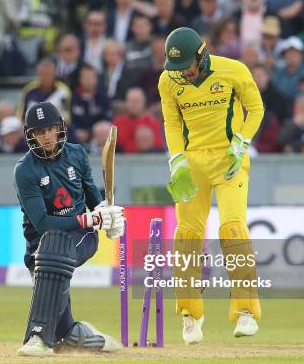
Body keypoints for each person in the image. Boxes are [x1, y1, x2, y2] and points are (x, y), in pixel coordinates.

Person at [158, 27, 264, 344]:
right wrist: (176, 161)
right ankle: (191, 315)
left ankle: (245, 311)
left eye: (187, 67)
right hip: (193, 163)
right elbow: (172, 122)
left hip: (229, 159)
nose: (183, 75)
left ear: (201, 55)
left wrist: (241, 143)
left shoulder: (233, 70)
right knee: (188, 235)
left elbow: (256, 108)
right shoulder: (168, 81)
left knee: (232, 228)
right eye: (176, 69)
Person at [14, 101, 124, 357]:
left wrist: (105, 214)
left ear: (60, 129)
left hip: (80, 238)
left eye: (51, 129)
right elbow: (42, 224)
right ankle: (83, 336)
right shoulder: (25, 170)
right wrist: (89, 219)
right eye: (40, 132)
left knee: (55, 250)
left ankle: (38, 337)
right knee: (64, 333)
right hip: (39, 250)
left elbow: (91, 196)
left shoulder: (76, 154)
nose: (47, 137)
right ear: (31, 136)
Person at [17, 58, 72, 123]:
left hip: (57, 127)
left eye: (49, 74)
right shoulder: (29, 90)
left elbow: (68, 116)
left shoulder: (63, 91)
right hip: (34, 128)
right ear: (38, 73)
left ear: (54, 74)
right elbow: (20, 116)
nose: (46, 77)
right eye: (43, 73)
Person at [112, 87, 164, 152]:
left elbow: (159, 146)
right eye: (131, 101)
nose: (134, 105)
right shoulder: (118, 122)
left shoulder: (153, 122)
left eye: (137, 101)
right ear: (126, 103)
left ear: (144, 103)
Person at [71, 64, 113, 144]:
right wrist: (76, 131)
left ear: (96, 79)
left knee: (106, 128)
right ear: (80, 79)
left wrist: (90, 132)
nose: (88, 80)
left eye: (91, 77)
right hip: (77, 135)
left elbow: (107, 118)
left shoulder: (103, 96)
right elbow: (70, 119)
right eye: (85, 78)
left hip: (97, 134)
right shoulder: (74, 97)